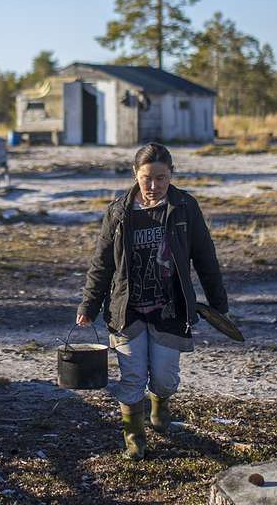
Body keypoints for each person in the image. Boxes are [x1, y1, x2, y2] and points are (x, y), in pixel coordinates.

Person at [76, 142, 229, 460]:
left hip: (170, 310)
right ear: (135, 174)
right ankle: (134, 435)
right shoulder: (118, 212)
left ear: (171, 175)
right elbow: (102, 263)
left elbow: (204, 256)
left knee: (164, 377)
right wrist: (88, 306)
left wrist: (217, 302)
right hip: (127, 310)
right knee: (131, 377)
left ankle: (160, 402)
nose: (154, 185)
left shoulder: (185, 207)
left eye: (161, 178)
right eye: (147, 178)